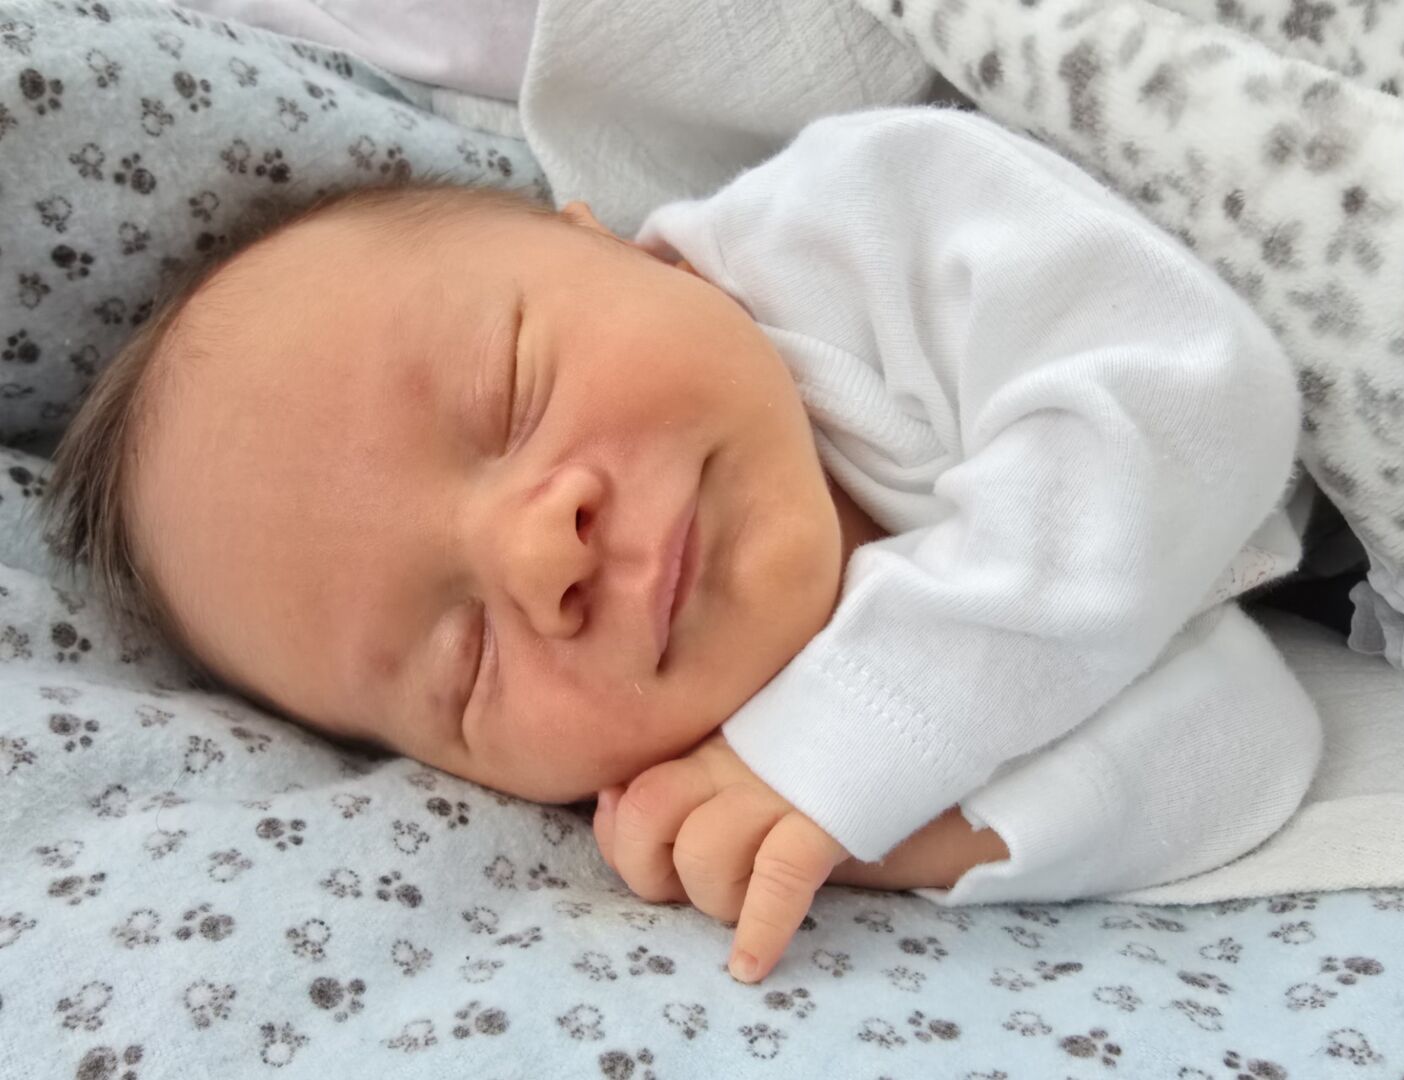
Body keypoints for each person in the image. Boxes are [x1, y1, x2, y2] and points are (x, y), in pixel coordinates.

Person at [46, 107, 1322, 984]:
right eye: (464, 659)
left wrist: (871, 724)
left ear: (613, 243)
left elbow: (1194, 404)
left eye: (509, 394)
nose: (538, 555)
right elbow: (1253, 738)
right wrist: (877, 823)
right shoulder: (768, 750)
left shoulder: (866, 216)